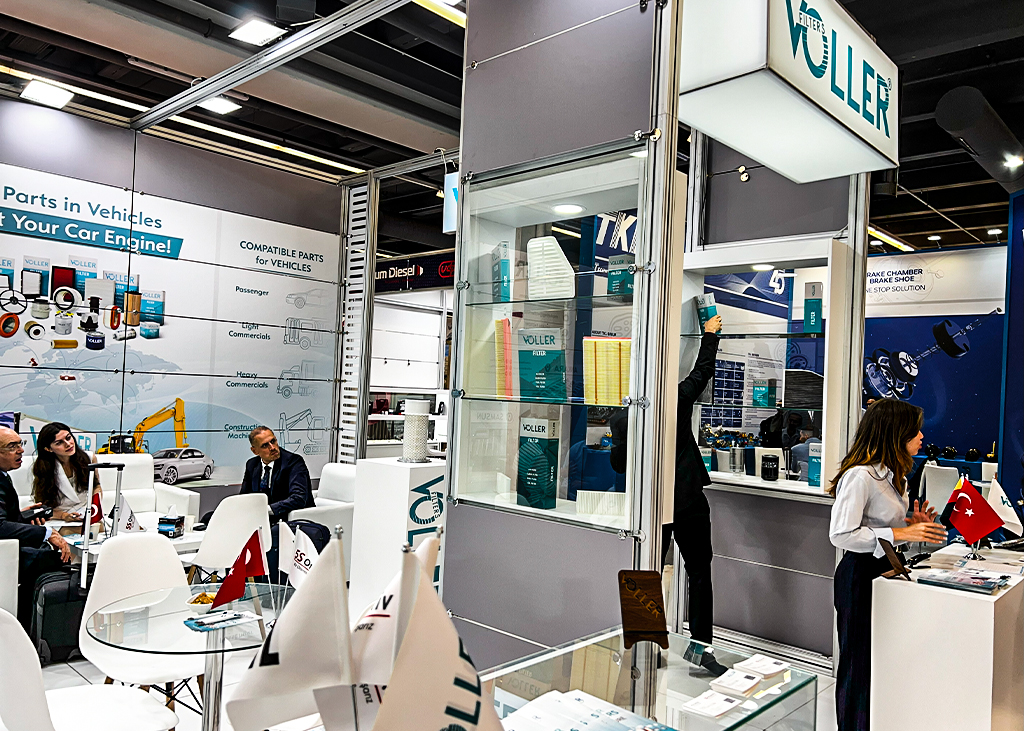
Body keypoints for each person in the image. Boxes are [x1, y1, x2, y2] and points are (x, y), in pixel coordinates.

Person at [828, 400, 948, 731]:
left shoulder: (895, 477)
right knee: (857, 664)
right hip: (859, 576)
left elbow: (883, 530)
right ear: (895, 434)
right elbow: (841, 534)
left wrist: (911, 525)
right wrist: (899, 532)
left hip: (885, 572)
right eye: (915, 430)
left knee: (881, 661)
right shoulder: (860, 476)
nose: (922, 436)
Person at [674, 313, 725, 675]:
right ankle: (700, 649)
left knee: (645, 576)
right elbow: (703, 370)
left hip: (652, 504)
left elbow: (618, 464)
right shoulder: (676, 399)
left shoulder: (623, 417)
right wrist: (710, 335)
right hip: (687, 499)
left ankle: (644, 646)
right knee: (699, 574)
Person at [0, 427, 72, 630]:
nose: (21, 450)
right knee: (58, 559)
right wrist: (47, 533)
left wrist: (22, 517)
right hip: (4, 555)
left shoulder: (3, 475)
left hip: (9, 548)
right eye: (12, 446)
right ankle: (35, 628)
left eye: (20, 444)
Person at [240, 427, 314, 522]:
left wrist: (266, 510)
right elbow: (244, 497)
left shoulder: (294, 462)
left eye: (273, 441)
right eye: (265, 445)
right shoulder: (252, 465)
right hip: (262, 520)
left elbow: (298, 498)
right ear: (255, 451)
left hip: (291, 520)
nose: (272, 448)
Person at [31, 422, 101, 521]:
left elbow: (96, 486)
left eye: (68, 438)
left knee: (98, 527)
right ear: (48, 449)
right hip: (58, 516)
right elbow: (41, 505)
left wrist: (93, 509)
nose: (68, 444)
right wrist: (64, 516)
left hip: (86, 510)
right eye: (59, 443)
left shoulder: (89, 458)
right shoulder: (43, 468)